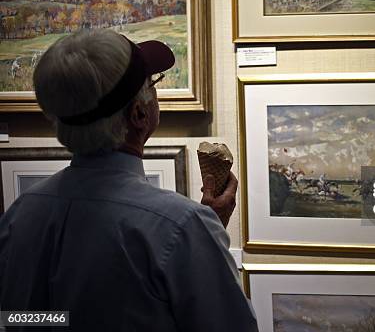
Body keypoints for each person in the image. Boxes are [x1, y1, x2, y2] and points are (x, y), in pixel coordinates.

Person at [0, 29, 258, 331]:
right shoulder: (182, 226)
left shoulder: (20, 214)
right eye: (153, 84)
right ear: (138, 114)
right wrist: (199, 235)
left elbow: (14, 319)